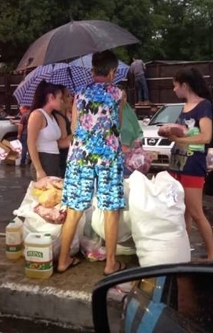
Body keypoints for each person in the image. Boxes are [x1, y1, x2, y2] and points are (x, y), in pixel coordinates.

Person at [58, 50, 126, 275]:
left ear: (92, 70)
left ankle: (63, 260)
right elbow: (119, 126)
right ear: (113, 71)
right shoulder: (119, 94)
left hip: (80, 156)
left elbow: (74, 129)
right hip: (108, 156)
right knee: (110, 210)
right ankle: (110, 265)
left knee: (74, 210)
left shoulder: (79, 94)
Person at [167, 67, 213, 261]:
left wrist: (180, 140)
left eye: (175, 86)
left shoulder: (203, 106)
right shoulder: (184, 107)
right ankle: (184, 254)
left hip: (192, 165)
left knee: (196, 213)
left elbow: (206, 136)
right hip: (177, 164)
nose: (174, 90)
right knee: (183, 213)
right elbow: (188, 133)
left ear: (184, 85)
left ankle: (212, 256)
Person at [27, 81, 63, 180]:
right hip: (44, 159)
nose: (62, 101)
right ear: (51, 97)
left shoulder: (52, 116)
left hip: (54, 159)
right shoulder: (37, 115)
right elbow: (31, 143)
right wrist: (39, 169)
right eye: (60, 98)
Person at [119, 87, 144, 178]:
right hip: (119, 156)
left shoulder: (128, 110)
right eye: (121, 97)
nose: (123, 99)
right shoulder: (112, 112)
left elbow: (137, 130)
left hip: (131, 156)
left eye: (125, 97)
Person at [53, 85, 73, 176]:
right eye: (67, 96)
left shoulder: (66, 116)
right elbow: (62, 143)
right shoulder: (59, 118)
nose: (71, 98)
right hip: (63, 159)